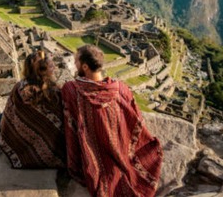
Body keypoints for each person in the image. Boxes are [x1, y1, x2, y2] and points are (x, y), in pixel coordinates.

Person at [62, 45, 163, 197]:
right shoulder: (121, 89)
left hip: (95, 160)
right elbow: (136, 119)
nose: (74, 64)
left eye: (76, 61)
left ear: (85, 66)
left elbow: (70, 125)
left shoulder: (71, 90)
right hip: (123, 149)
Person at [0, 50, 66, 170]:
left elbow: (10, 112)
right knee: (3, 117)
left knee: (1, 118)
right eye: (51, 65)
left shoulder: (21, 87)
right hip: (50, 144)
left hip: (23, 139)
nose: (54, 66)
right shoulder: (55, 90)